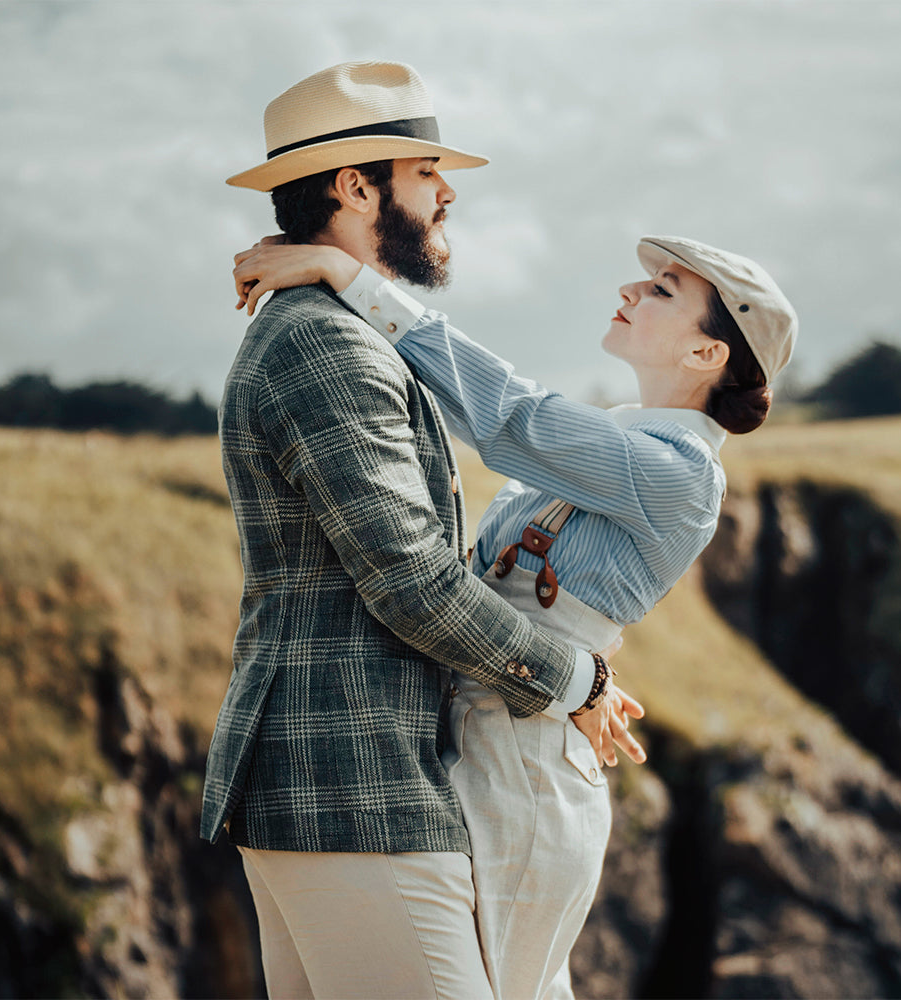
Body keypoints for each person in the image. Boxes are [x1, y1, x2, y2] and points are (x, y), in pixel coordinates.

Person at [229, 233, 798, 1000]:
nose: (631, 291)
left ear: (707, 356)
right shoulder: (624, 436)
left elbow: (511, 420)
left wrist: (353, 278)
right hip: (482, 733)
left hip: (527, 772)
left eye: (663, 292)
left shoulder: (680, 473)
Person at [200, 60, 643, 1000]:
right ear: (356, 186)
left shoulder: (326, 325)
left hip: (340, 782)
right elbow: (410, 580)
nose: (447, 193)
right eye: (426, 170)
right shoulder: (323, 343)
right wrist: (576, 680)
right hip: (350, 783)